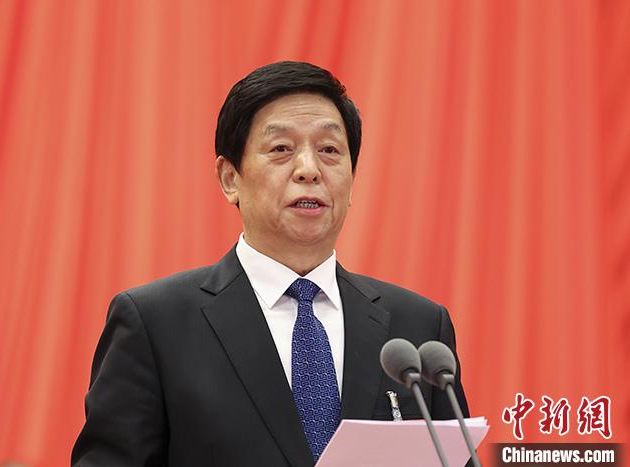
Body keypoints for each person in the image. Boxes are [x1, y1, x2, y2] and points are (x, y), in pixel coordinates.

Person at [72, 61, 470, 467]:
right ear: (230, 178)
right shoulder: (155, 324)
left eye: (329, 150)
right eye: (281, 149)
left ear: (352, 178)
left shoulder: (418, 329)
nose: (309, 170)